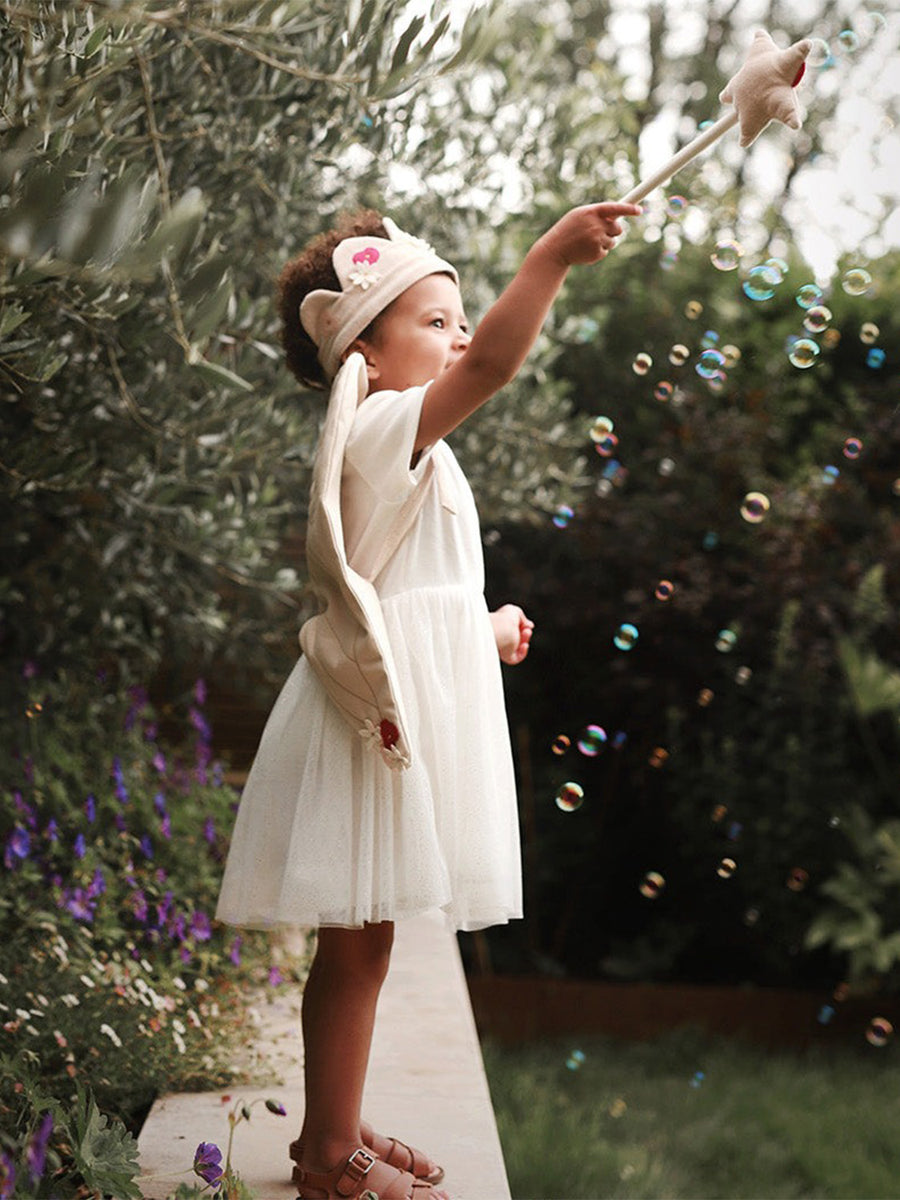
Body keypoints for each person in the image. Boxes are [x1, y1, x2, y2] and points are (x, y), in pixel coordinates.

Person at [215, 199, 640, 1200]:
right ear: (366, 345)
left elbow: (408, 597)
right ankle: (329, 1157)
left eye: (460, 316)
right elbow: (494, 366)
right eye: (437, 319)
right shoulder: (376, 424)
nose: (460, 335)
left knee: (363, 943)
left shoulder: (410, 443)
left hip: (383, 720)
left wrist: (482, 629)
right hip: (371, 730)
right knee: (358, 947)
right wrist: (550, 258)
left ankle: (335, 1124)